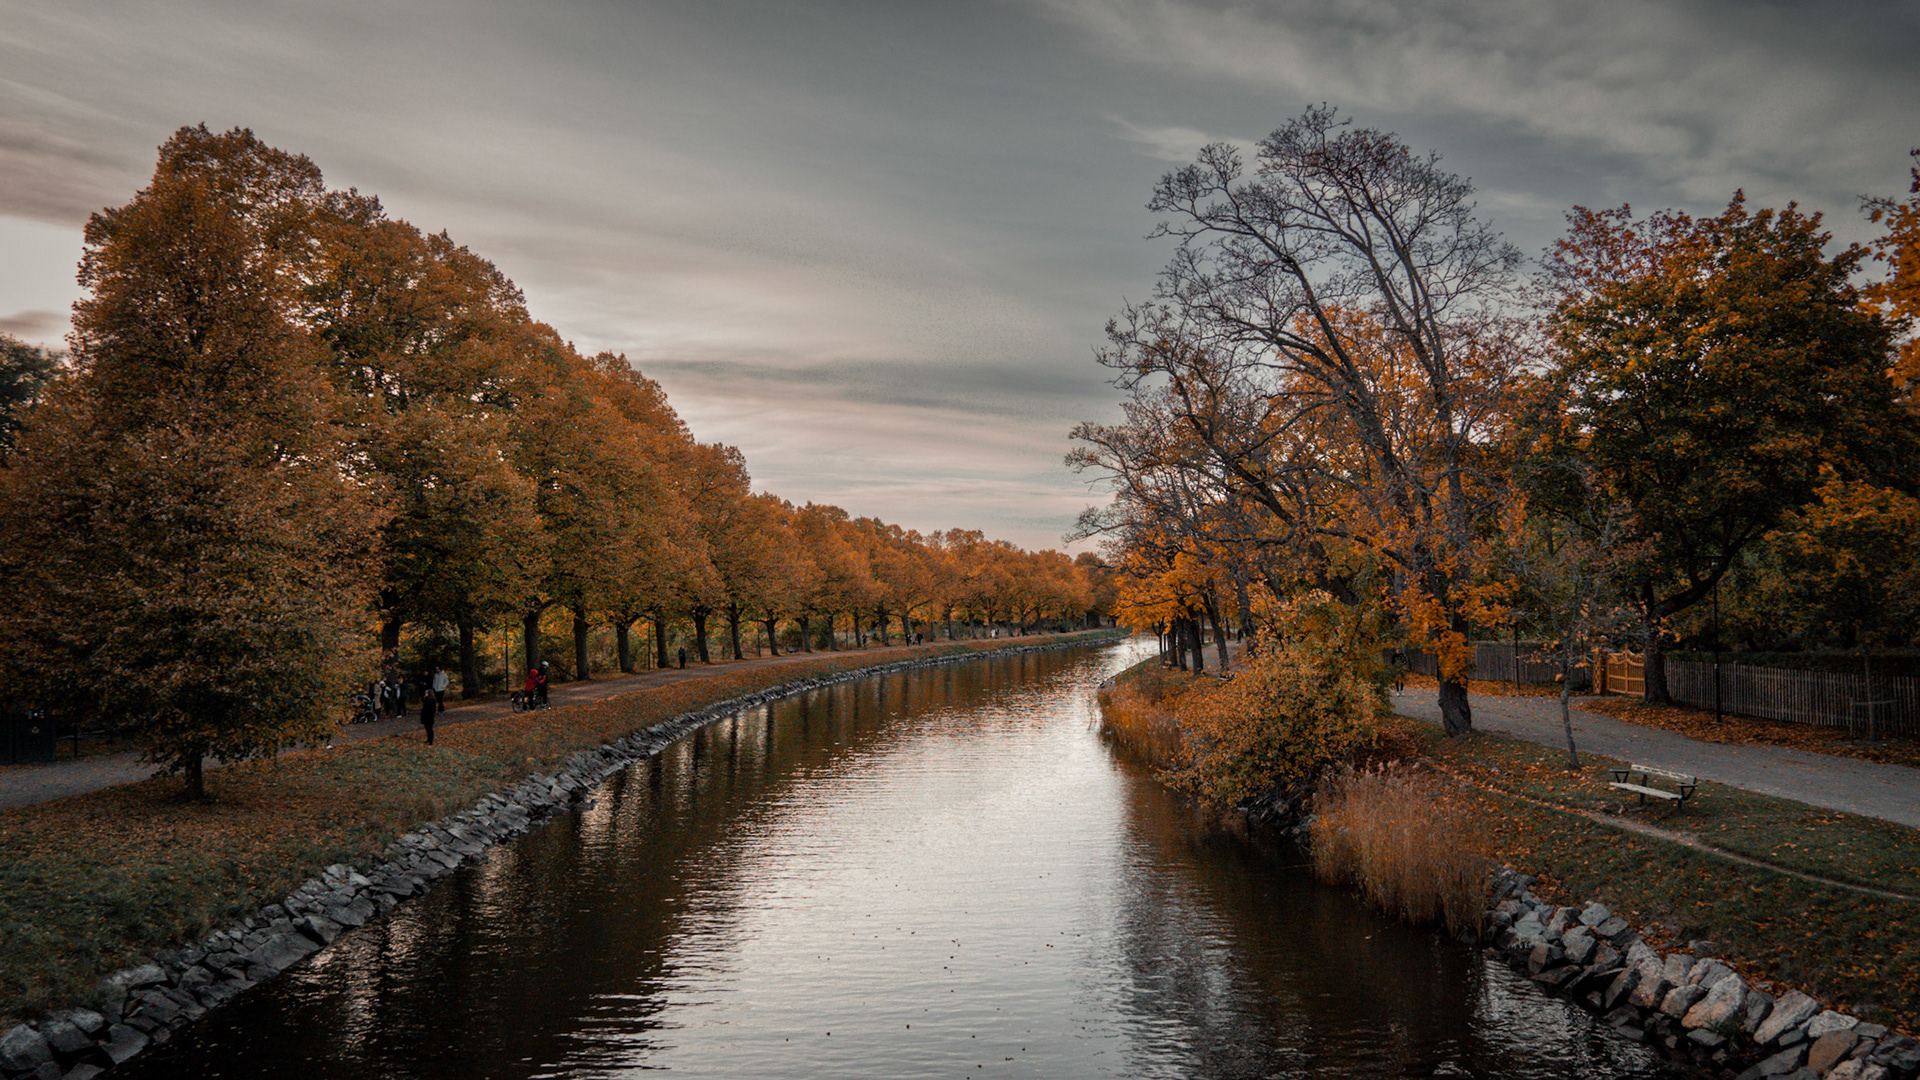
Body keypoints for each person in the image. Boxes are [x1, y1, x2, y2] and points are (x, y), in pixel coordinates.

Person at [419, 675, 437, 744]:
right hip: (427, 716)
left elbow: (432, 709)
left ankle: (430, 740)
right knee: (427, 728)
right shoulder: (427, 700)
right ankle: (429, 739)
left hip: (429, 716)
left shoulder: (430, 700)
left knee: (429, 729)